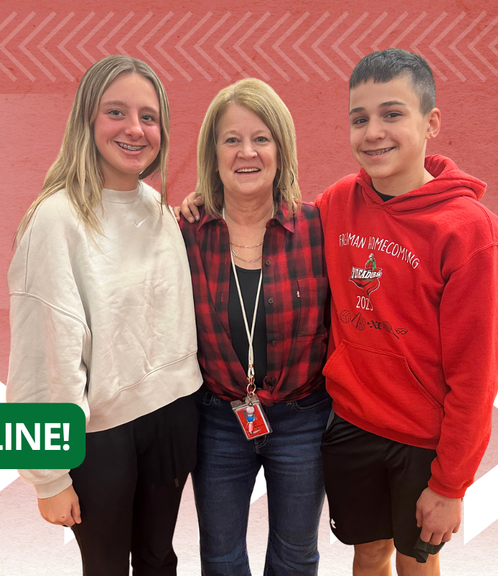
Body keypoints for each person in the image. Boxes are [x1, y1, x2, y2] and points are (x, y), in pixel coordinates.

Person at [6, 55, 202, 576]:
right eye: (116, 112)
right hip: (98, 434)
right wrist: (48, 475)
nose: (135, 129)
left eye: (149, 116)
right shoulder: (57, 219)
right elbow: (41, 355)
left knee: (160, 559)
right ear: (87, 121)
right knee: (107, 567)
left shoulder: (160, 212)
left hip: (172, 409)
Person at [316, 48, 498, 576]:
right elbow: (273, 228)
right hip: (352, 425)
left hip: (423, 443)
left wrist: (450, 484)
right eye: (360, 118)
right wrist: (204, 202)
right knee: (370, 555)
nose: (373, 131)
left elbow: (476, 376)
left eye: (392, 114)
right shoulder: (336, 202)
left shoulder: (470, 234)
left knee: (416, 561)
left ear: (432, 123)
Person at [179, 78, 331, 576]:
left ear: (281, 148)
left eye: (261, 138)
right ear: (214, 151)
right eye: (232, 139)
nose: (247, 152)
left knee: (295, 556)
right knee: (221, 558)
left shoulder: (318, 228)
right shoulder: (185, 233)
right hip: (220, 420)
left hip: (303, 419)